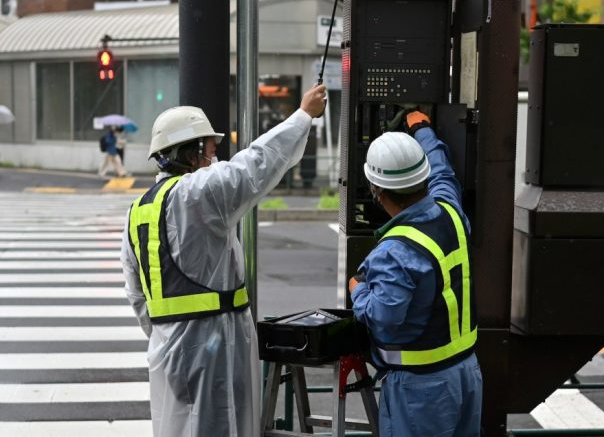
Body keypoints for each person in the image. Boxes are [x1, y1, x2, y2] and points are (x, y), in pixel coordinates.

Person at [120, 83, 327, 437]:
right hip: (212, 342)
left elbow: (137, 294)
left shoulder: (139, 210)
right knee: (222, 426)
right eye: (210, 151)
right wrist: (303, 115)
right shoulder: (196, 192)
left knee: (179, 428)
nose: (215, 160)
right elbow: (256, 165)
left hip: (168, 345)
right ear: (191, 153)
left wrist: (166, 336)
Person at [349, 111, 482, 437]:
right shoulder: (451, 212)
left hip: (421, 390)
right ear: (422, 177)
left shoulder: (393, 251)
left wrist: (357, 291)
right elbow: (442, 169)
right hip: (467, 374)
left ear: (376, 190)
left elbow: (384, 317)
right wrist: (421, 126)